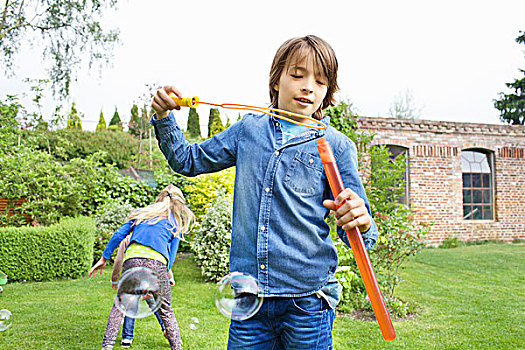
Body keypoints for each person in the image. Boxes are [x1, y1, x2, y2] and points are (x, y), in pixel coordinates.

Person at [150, 35, 379, 349]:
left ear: (327, 92)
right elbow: (187, 160)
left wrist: (361, 222)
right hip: (250, 299)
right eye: (297, 75)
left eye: (320, 81)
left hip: (308, 302)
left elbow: (363, 234)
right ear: (276, 81)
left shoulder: (336, 147)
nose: (308, 86)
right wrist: (164, 117)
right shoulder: (249, 130)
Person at [89, 184, 194, 350]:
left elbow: (118, 235)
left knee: (120, 306)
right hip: (157, 264)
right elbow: (171, 257)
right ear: (178, 204)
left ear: (159, 198)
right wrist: (160, 278)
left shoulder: (142, 214)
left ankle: (107, 346)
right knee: (166, 310)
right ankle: (177, 347)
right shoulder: (175, 223)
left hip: (132, 261)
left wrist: (104, 258)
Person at [111, 234, 175, 347]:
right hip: (150, 275)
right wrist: (170, 276)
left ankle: (127, 338)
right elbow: (162, 259)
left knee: (131, 306)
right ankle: (166, 329)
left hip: (133, 274)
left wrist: (115, 279)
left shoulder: (128, 238)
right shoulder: (154, 236)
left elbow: (119, 260)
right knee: (156, 304)